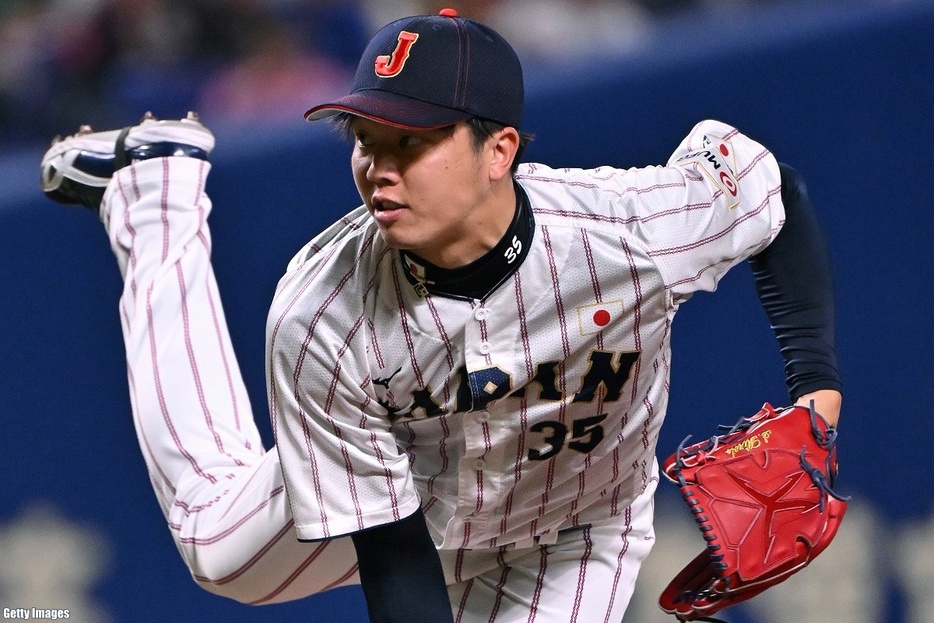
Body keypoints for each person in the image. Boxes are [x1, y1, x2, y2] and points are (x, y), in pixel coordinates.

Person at [39, 8, 842, 622]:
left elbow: (774, 193)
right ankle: (156, 195)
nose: (377, 169)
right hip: (412, 490)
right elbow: (395, 555)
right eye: (365, 137)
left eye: (411, 143)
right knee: (216, 550)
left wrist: (817, 395)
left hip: (574, 527)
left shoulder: (627, 233)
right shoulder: (324, 312)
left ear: (501, 151)